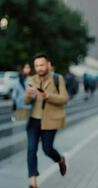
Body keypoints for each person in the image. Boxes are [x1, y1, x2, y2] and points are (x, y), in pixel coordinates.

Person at [24, 53, 69, 188]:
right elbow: (26, 102)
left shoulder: (57, 78)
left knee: (47, 149)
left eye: (42, 65)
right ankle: (33, 183)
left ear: (48, 64)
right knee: (31, 149)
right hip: (33, 120)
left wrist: (47, 95)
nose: (40, 68)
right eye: (37, 66)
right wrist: (28, 95)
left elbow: (64, 99)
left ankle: (60, 159)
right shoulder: (31, 79)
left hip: (50, 121)